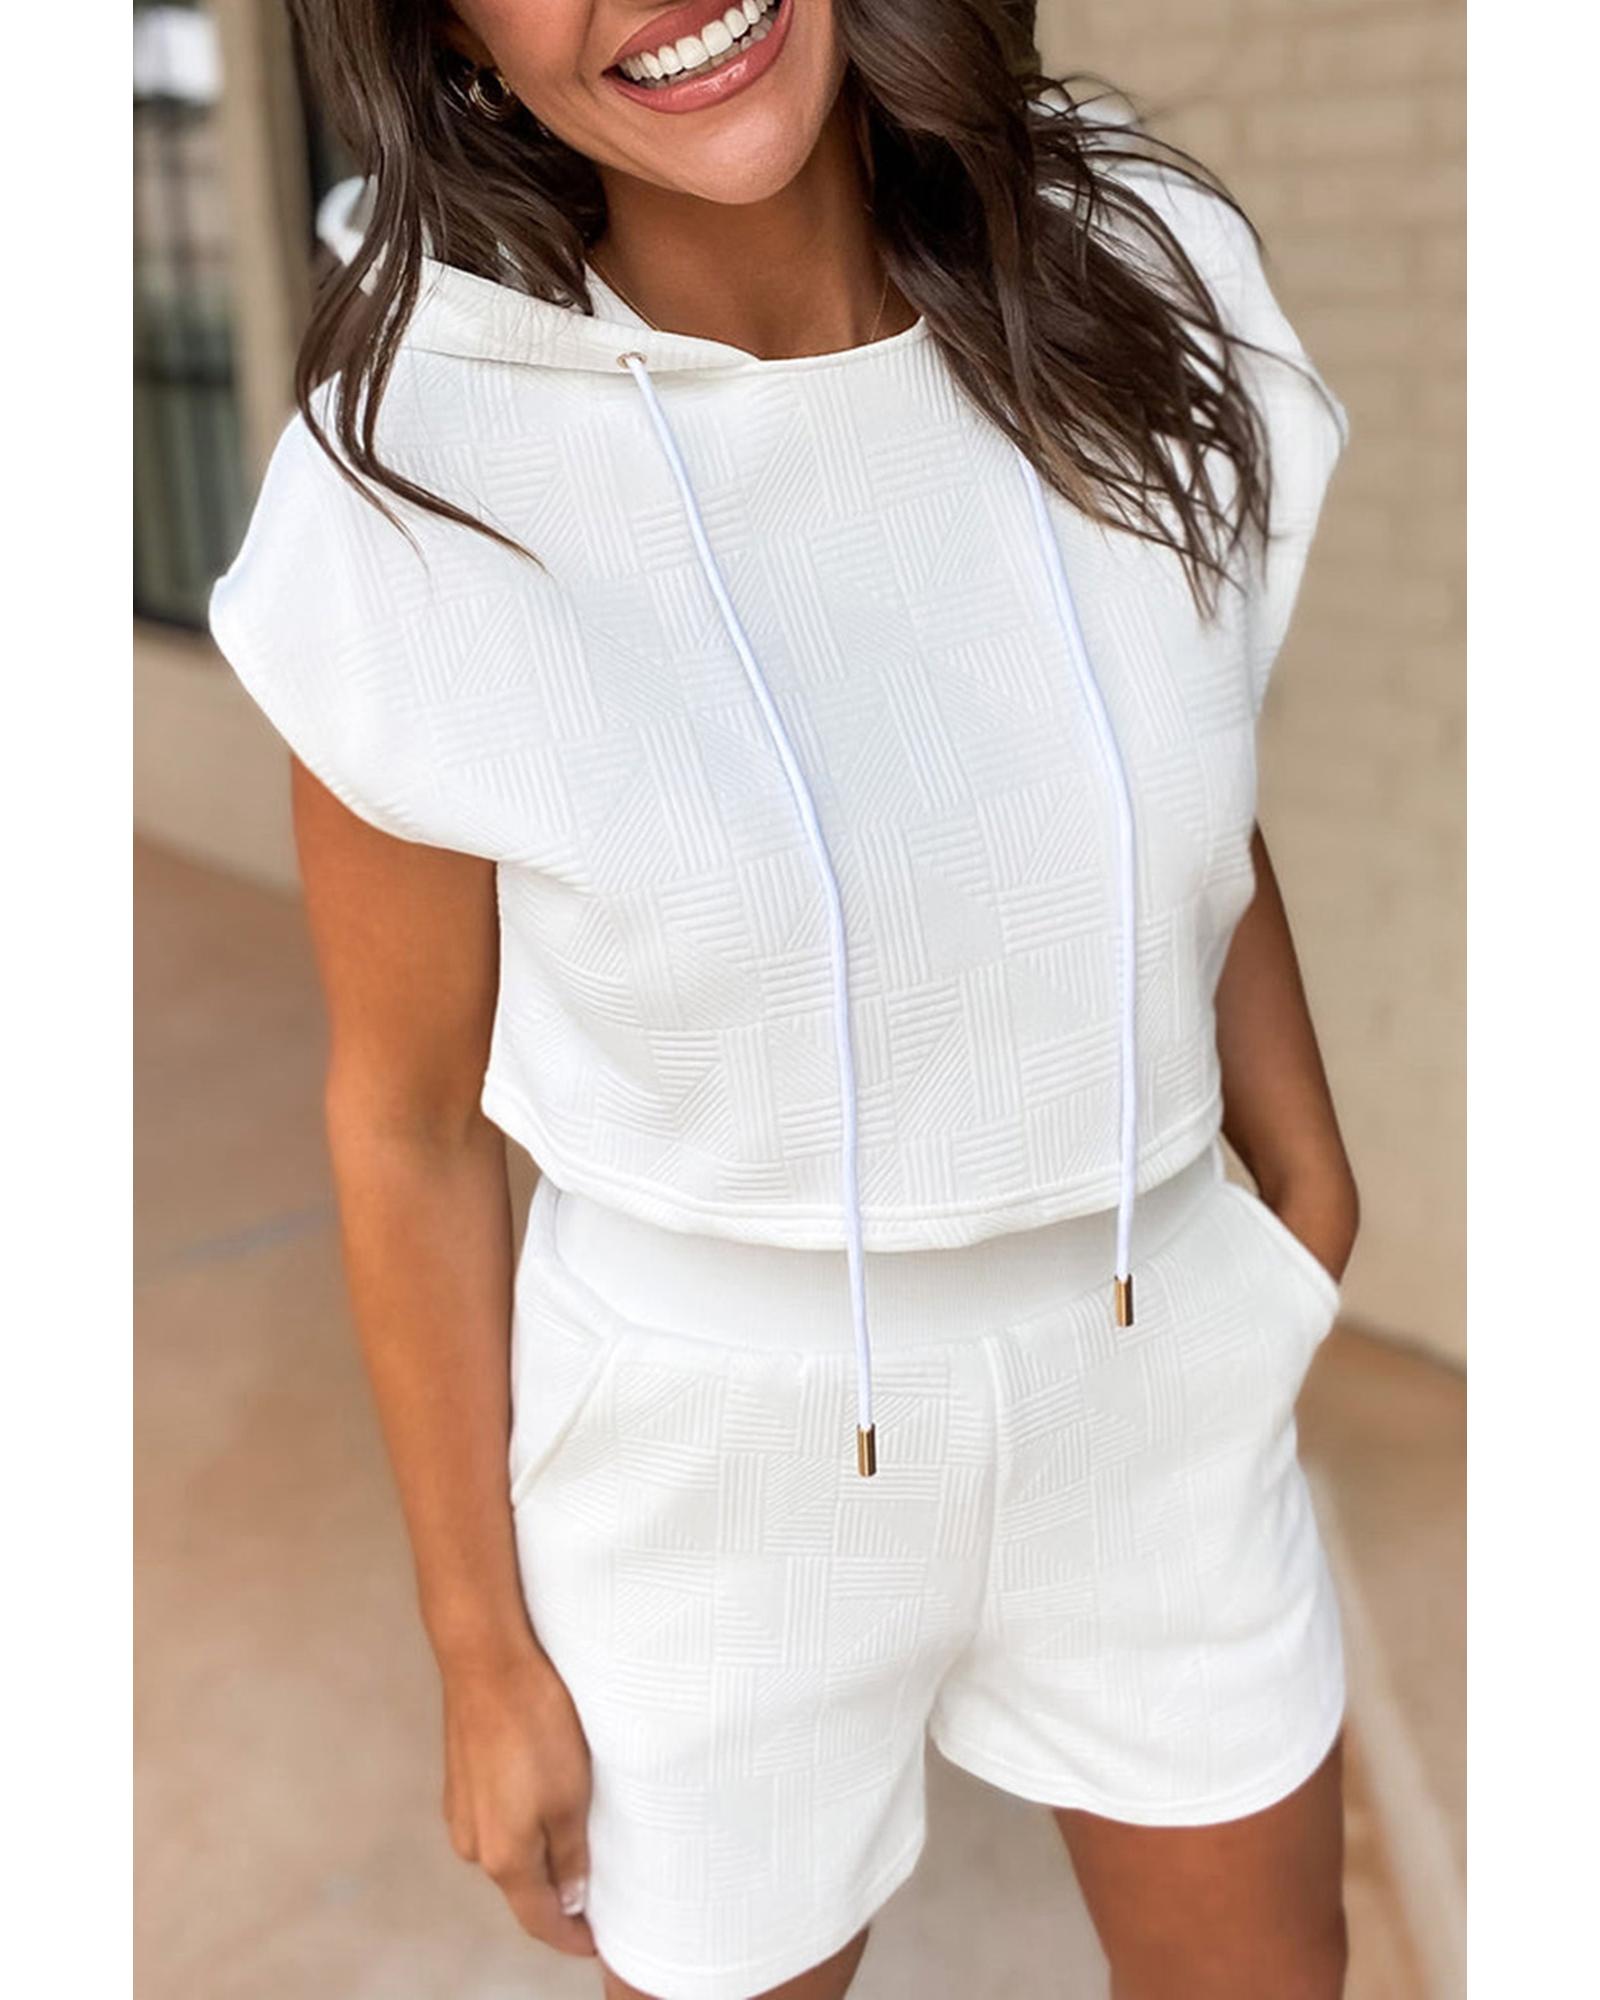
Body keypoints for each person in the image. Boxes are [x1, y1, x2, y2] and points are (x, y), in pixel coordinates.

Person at [208, 4, 1361, 1995]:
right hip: (713, 1470)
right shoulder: (420, 475)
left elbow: (1180, 769)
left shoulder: (1128, 275)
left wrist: (1303, 1180)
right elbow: (403, 1121)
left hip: (1152, 1374)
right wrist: (479, 1654)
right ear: (452, 37)